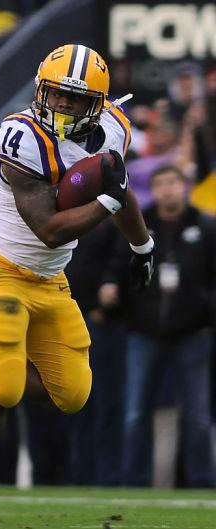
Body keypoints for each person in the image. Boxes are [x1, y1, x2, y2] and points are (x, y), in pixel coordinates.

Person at [0, 44, 154, 523]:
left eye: (74, 100)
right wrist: (111, 200)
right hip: (1, 266)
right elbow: (50, 227)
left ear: (97, 104)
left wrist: (142, 246)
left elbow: (120, 193)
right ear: (41, 90)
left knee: (73, 394)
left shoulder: (115, 130)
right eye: (56, 95)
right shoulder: (21, 136)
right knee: (6, 389)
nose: (61, 106)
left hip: (51, 277)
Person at [101, 165, 216, 488]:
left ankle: (203, 483)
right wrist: (110, 288)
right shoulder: (138, 222)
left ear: (185, 186)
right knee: (135, 414)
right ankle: (134, 482)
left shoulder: (206, 226)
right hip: (143, 332)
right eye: (160, 184)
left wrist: (209, 319)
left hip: (193, 333)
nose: (167, 189)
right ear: (153, 189)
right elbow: (116, 266)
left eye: (173, 182)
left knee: (197, 416)